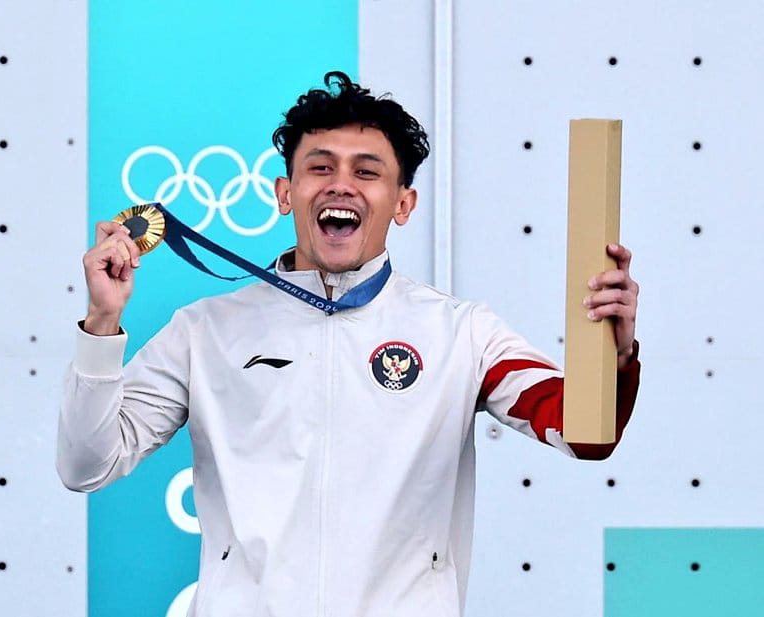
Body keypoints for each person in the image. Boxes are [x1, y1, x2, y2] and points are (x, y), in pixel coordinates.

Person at [58, 71, 640, 617]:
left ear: (403, 203)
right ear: (286, 193)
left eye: (367, 171)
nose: (341, 184)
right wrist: (102, 323)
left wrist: (613, 354)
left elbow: (584, 433)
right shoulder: (205, 330)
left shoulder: (461, 333)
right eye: (320, 167)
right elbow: (86, 465)